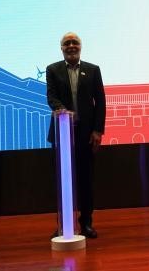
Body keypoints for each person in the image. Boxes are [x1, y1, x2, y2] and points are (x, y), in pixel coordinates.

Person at [46, 32, 106, 239]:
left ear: (80, 46)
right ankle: (64, 225)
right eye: (67, 43)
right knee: (63, 181)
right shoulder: (52, 69)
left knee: (86, 180)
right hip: (62, 132)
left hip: (86, 134)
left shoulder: (93, 70)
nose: (71, 46)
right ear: (61, 48)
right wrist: (63, 111)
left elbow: (100, 101)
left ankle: (86, 223)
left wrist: (98, 130)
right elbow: (51, 97)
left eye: (75, 42)